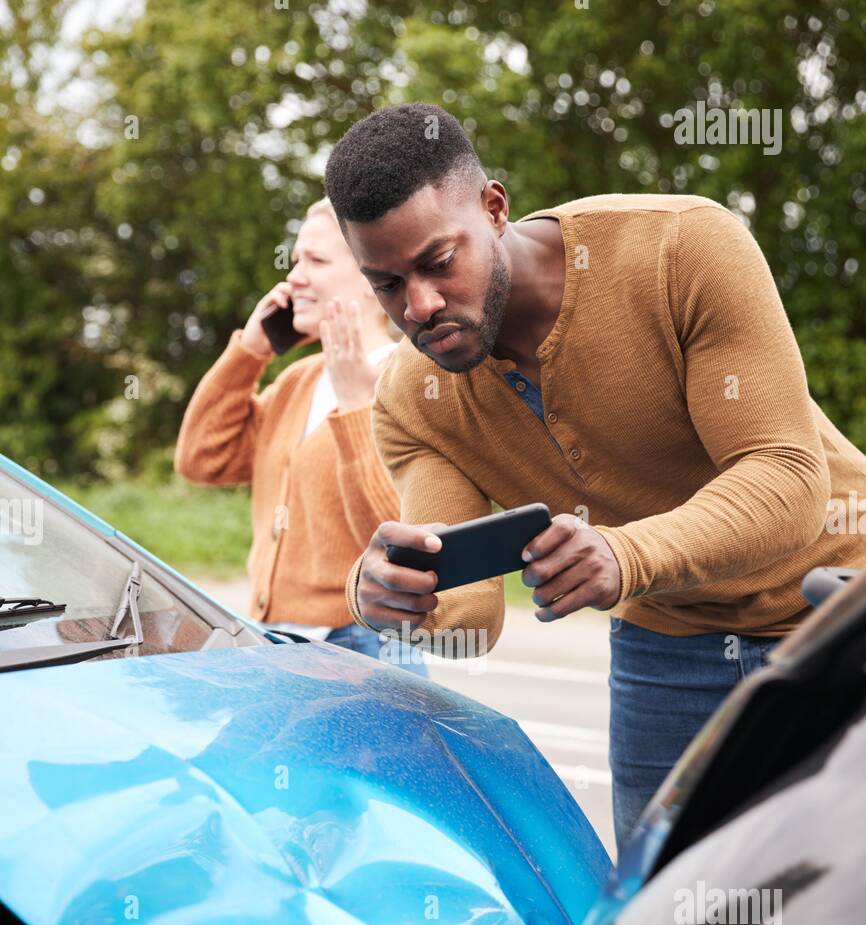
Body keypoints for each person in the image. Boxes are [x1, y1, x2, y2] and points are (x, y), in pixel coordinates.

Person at [322, 102, 866, 852]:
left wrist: (622, 555)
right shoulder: (416, 398)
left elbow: (786, 477)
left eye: (438, 263)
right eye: (386, 285)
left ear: (494, 207)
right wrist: (386, 593)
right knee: (660, 913)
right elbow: (470, 620)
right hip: (667, 648)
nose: (419, 307)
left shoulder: (682, 247)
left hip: (841, 610)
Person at [174, 194, 427, 674]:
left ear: (370, 272)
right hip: (275, 644)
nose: (293, 278)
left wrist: (355, 403)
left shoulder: (413, 377)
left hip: (363, 649)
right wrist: (249, 351)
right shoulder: (299, 380)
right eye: (294, 262)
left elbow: (397, 538)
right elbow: (201, 460)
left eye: (316, 260)